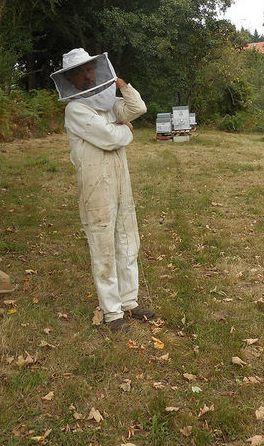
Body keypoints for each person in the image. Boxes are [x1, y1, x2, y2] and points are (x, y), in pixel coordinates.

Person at [52, 48, 154, 332]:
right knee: (103, 244)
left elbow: (138, 109)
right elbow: (110, 137)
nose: (87, 75)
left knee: (127, 238)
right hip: (96, 184)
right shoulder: (76, 109)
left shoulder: (107, 103)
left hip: (121, 180)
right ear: (71, 79)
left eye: (90, 69)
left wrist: (121, 85)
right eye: (80, 72)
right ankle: (112, 313)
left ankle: (129, 302)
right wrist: (127, 132)